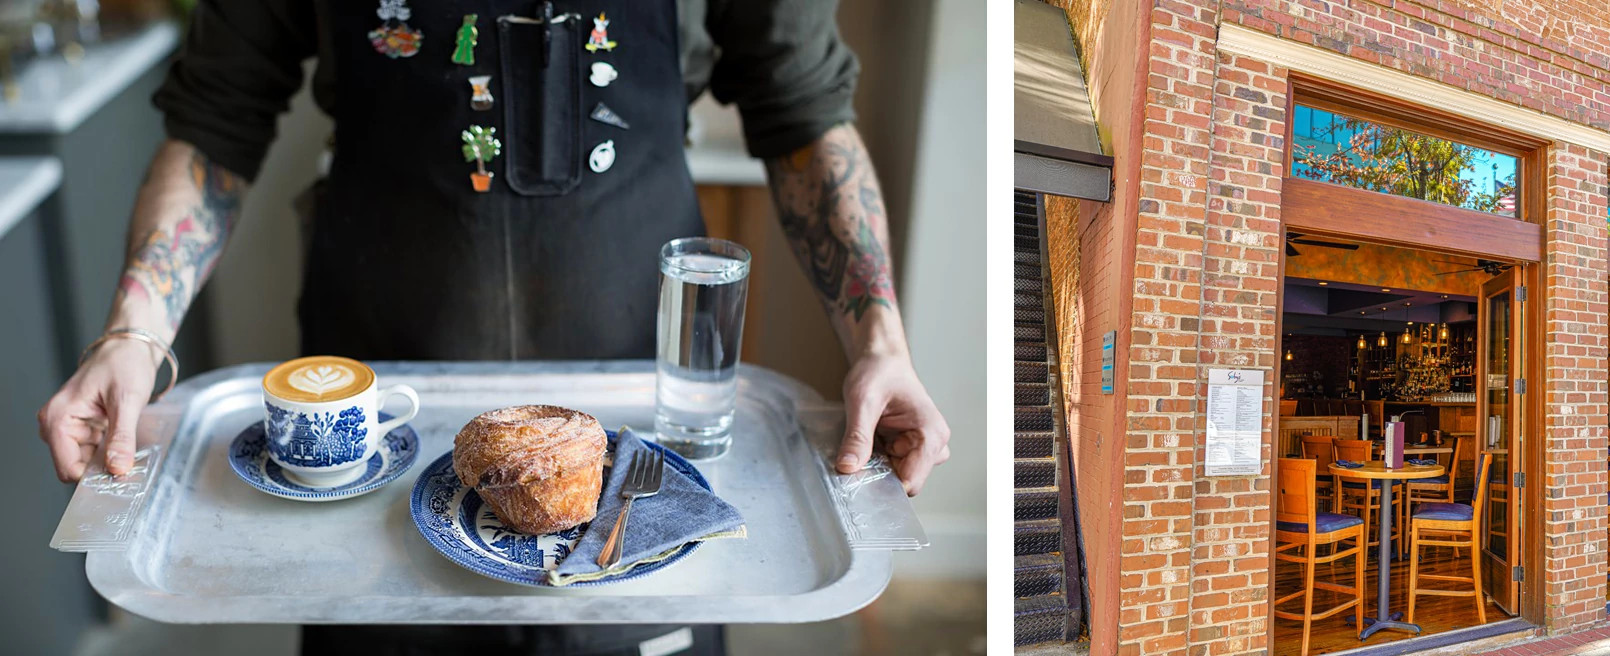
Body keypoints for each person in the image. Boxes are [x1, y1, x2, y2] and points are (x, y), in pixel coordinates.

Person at [35, 1, 949, 654]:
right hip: (370, 466)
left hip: (642, 455)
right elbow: (214, 121)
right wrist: (132, 332)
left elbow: (802, 112)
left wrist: (882, 345)